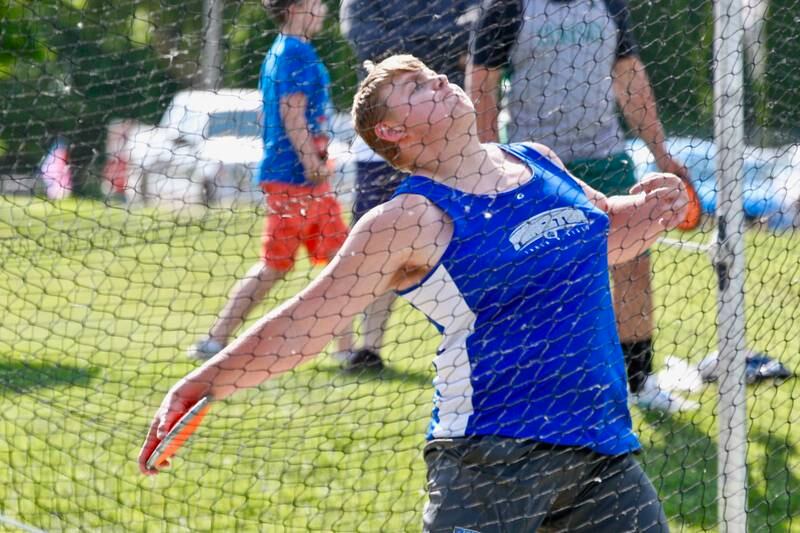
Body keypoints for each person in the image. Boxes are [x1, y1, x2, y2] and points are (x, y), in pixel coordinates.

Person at [140, 55, 688, 531]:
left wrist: (655, 207)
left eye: (433, 75)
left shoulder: (537, 159)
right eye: (416, 87)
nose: (440, 81)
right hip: (489, 457)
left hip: (602, 447)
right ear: (393, 133)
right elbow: (309, 321)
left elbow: (605, 234)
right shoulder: (406, 219)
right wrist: (203, 384)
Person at [467, 0, 701, 413]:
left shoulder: (608, 4)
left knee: (633, 265)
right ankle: (540, 384)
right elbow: (482, 81)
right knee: (541, 276)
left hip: (605, 155)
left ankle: (638, 381)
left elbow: (629, 76)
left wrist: (661, 152)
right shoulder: (507, 7)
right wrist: (488, 160)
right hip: (536, 162)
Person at [187, 0, 349, 360]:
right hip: (296, 178)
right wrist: (311, 161)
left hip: (301, 178)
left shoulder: (286, 49)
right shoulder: (294, 53)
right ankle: (215, 339)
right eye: (318, 3)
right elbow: (292, 113)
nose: (323, 9)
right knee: (281, 264)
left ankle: (347, 351)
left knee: (337, 260)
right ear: (298, 7)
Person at [334, 0, 480, 371]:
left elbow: (477, 29)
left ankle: (377, 347)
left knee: (444, 247)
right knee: (369, 250)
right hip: (382, 152)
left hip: (443, 143)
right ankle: (355, 345)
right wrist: (439, 40)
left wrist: (428, 45)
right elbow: (372, 49)